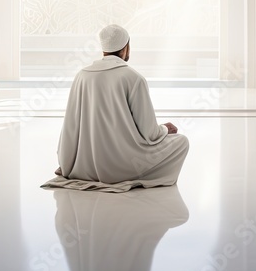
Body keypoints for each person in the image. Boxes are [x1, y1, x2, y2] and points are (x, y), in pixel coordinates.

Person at [42, 24, 189, 192]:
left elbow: (70, 128)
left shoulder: (82, 76)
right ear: (126, 47)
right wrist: (164, 129)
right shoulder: (134, 78)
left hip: (82, 168)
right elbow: (150, 134)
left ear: (103, 48)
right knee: (181, 142)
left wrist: (67, 164)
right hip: (122, 168)